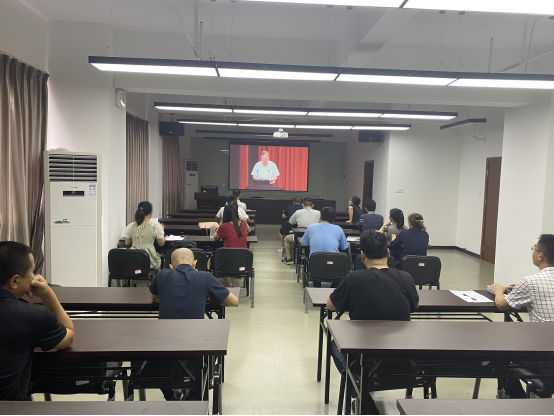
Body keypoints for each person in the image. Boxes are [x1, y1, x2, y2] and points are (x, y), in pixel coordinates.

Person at [326, 231, 419, 415]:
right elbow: (414, 306)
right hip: (404, 362)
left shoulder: (353, 279)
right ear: (388, 253)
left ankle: (361, 394)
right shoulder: (406, 277)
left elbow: (331, 305)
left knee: (334, 346)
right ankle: (363, 394)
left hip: (365, 361)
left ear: (362, 256)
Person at [149, 248, 238, 401]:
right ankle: (194, 395)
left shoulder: (161, 275)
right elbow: (233, 301)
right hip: (194, 342)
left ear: (171, 266)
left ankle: (171, 397)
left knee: (165, 359)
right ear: (194, 263)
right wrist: (205, 296)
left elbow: (154, 297)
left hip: (164, 342)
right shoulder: (204, 277)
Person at [0, 241, 75, 401]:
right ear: (14, 281)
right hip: (10, 408)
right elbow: (68, 336)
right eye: (31, 272)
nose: (34, 277)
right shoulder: (31, 316)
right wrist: (48, 294)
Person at [489, 234, 554, 399]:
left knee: (500, 355)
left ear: (540, 256)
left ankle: (517, 400)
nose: (533, 252)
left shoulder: (531, 282)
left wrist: (498, 290)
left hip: (545, 357)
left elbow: (502, 304)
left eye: (534, 249)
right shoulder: (530, 284)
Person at [301, 207, 348, 287]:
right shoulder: (338, 229)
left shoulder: (311, 227)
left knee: (315, 266)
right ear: (334, 219)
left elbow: (303, 243)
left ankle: (317, 288)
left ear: (320, 217)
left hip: (315, 265)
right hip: (335, 264)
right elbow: (344, 247)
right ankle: (333, 289)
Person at [214, 204, 251, 287]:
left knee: (214, 257)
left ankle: (228, 283)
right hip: (243, 259)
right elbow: (247, 231)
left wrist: (220, 225)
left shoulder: (224, 226)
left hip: (228, 260)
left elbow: (216, 237)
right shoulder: (243, 224)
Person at [125, 201, 165, 270]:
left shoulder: (131, 226)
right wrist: (161, 230)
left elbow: (127, 243)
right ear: (151, 213)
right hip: (149, 260)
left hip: (133, 259)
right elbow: (161, 243)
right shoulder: (155, 227)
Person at [282, 198, 321, 265]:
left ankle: (288, 258)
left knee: (286, 239)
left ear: (302, 204)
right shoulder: (318, 213)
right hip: (314, 238)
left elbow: (291, 222)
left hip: (299, 238)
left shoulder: (298, 212)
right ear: (313, 205)